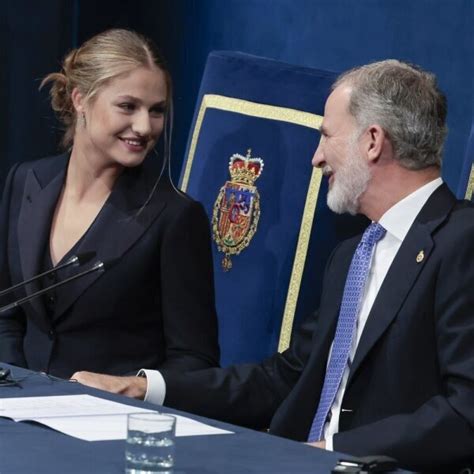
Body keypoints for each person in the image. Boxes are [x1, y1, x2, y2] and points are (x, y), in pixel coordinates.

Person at [73, 60, 474, 471]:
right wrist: (145, 387)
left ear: (372, 141)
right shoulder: (353, 253)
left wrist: (333, 450)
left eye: (326, 136)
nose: (316, 158)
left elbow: (466, 413)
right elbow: (286, 378)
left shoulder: (461, 241)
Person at [0, 29, 219, 380]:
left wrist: (130, 388)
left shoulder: (175, 216)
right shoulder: (25, 181)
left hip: (109, 424)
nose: (145, 126)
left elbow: (194, 362)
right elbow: (5, 315)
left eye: (157, 110)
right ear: (80, 99)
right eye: (128, 106)